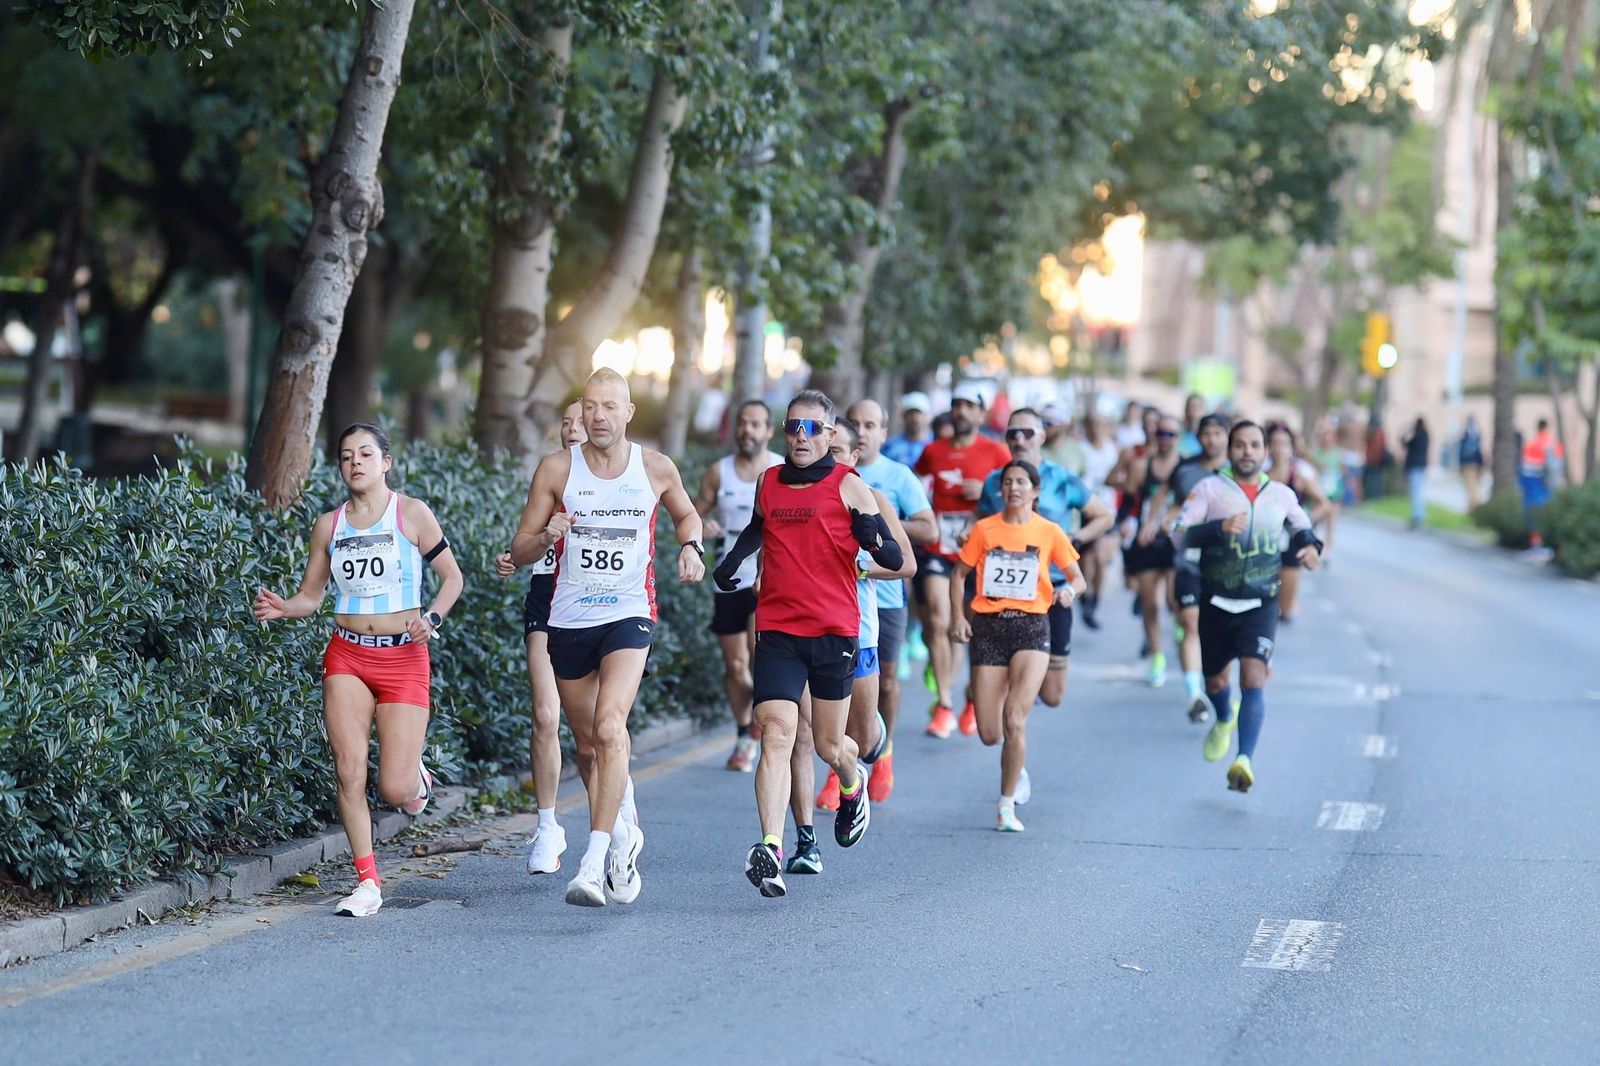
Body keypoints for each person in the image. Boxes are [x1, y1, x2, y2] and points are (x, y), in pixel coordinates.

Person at [506, 368, 705, 908]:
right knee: (588, 747)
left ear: (628, 411)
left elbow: (688, 515)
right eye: (590, 406)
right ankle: (623, 834)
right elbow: (520, 547)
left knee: (610, 725)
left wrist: (692, 548)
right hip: (568, 620)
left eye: (609, 407)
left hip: (629, 614)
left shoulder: (655, 468)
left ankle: (593, 863)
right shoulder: (556, 470)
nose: (598, 416)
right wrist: (545, 535)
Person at [252, 424, 464, 918]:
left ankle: (416, 778)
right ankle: (367, 881)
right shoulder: (329, 526)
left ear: (385, 462)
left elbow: (453, 577)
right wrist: (286, 607)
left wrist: (431, 617)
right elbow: (312, 595)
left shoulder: (412, 514)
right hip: (347, 654)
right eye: (347, 456)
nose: (355, 463)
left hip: (403, 658)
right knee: (348, 770)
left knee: (394, 789)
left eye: (366, 453)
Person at [713, 389, 903, 899]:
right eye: (793, 427)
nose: (801, 436)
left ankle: (851, 778)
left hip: (834, 632)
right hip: (778, 628)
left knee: (827, 744)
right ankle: (771, 850)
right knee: (774, 732)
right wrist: (731, 564)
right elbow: (758, 529)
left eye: (812, 428)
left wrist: (870, 535)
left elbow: (890, 552)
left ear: (831, 432)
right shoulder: (768, 481)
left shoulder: (850, 486)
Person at [1175, 421, 1322, 794]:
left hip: (1261, 601)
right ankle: (1224, 716)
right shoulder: (1209, 489)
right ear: (1230, 450)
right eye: (1239, 445)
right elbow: (1179, 531)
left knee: (1253, 679)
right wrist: (1217, 528)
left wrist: (1310, 547)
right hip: (1216, 601)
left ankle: (1244, 761)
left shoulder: (1282, 495)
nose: (1247, 452)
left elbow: (1302, 528)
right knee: (1216, 681)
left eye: (1254, 445)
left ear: (1265, 452)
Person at [804, 417, 915, 864]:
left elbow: (906, 563)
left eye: (841, 452)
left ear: (854, 458)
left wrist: (862, 568)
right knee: (816, 730)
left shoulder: (872, 499)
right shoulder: (800, 495)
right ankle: (839, 779)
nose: (832, 459)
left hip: (859, 627)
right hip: (808, 627)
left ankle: (875, 749)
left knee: (863, 735)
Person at [951, 460, 1084, 831]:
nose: (1013, 488)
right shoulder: (984, 529)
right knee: (990, 733)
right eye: (1007, 482)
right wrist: (958, 619)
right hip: (989, 628)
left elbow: (1077, 576)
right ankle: (1015, 757)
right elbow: (958, 574)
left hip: (1032, 626)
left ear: (1035, 491)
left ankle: (1006, 805)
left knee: (1015, 719)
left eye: (1021, 482)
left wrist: (1069, 591)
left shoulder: (1050, 531)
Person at [493, 400, 586, 876]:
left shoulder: (622, 480)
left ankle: (617, 817)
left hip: (599, 605)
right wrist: (518, 555)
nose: (572, 428)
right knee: (545, 714)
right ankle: (548, 827)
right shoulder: (550, 475)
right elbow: (522, 543)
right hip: (547, 599)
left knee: (595, 733)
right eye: (566, 422)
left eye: (582, 419)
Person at [977, 407, 1112, 708]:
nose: (1020, 439)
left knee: (1052, 696)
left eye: (1027, 433)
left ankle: (1024, 685)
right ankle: (1004, 695)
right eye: (1013, 433)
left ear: (1041, 436)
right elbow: (979, 523)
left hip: (1052, 590)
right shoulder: (994, 482)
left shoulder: (1062, 479)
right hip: (1003, 595)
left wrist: (1077, 537)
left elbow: (1103, 516)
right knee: (1004, 697)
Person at [843, 398, 935, 802]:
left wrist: (886, 534)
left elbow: (928, 529)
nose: (861, 430)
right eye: (855, 423)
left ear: (883, 432)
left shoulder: (897, 478)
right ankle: (842, 765)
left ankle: (885, 753)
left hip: (886, 594)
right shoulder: (829, 474)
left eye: (870, 424)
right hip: (841, 597)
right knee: (841, 685)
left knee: (888, 682)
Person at [914, 381, 1011, 738]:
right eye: (957, 405)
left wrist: (986, 491)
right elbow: (915, 484)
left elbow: (1015, 493)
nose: (962, 412)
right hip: (941, 550)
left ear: (981, 413)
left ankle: (971, 697)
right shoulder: (933, 451)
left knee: (971, 630)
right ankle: (944, 705)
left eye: (970, 406)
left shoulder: (996, 452)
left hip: (982, 553)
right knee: (940, 622)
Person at [694, 400, 783, 773]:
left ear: (768, 431)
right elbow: (693, 513)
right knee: (735, 665)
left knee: (756, 657)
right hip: (728, 579)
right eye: (743, 424)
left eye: (756, 425)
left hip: (770, 580)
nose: (748, 431)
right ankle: (746, 729)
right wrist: (703, 526)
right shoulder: (719, 472)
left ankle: (754, 732)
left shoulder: (781, 470)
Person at [1156, 412, 1229, 722]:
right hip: (1189, 557)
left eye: (1218, 433)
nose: (1212, 439)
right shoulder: (1185, 470)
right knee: (1190, 621)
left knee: (1219, 631)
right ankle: (1194, 695)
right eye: (1206, 434)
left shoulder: (1238, 473)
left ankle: (1220, 688)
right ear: (1198, 437)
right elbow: (1174, 503)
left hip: (1226, 562)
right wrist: (1166, 520)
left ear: (1227, 437)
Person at [1122, 415, 1183, 685]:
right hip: (1146, 540)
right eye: (1161, 433)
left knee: (1173, 601)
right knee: (1150, 603)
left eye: (1171, 434)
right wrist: (1126, 525)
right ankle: (1157, 657)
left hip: (1174, 541)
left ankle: (1184, 632)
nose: (1165, 439)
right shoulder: (1140, 465)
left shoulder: (1186, 467)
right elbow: (1130, 502)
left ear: (1178, 438)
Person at [1266, 422, 1331, 624]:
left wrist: (1303, 522)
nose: (1279, 448)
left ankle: (1288, 604)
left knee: (1285, 612)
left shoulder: (1299, 476)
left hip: (1291, 543)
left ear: (1292, 447)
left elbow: (1324, 504)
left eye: (1284, 444)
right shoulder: (1261, 477)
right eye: (1274, 443)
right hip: (1265, 542)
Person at [1077, 413, 1120, 629]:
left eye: (1100, 425)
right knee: (1087, 562)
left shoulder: (1113, 449)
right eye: (1092, 425)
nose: (1096, 430)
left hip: (1108, 511)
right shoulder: (1081, 450)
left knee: (1101, 558)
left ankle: (1095, 601)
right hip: (1087, 511)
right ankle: (1085, 596)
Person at [1519, 418, 1564, 544]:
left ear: (1537, 428)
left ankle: (1537, 545)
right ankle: (1550, 544)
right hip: (1550, 486)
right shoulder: (1555, 445)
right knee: (1548, 515)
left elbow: (1526, 470)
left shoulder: (1532, 445)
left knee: (1533, 516)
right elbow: (1560, 466)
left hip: (1535, 485)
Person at [883, 391, 934, 468]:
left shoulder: (936, 443)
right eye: (911, 414)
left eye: (919, 413)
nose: (915, 418)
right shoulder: (891, 446)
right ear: (903, 416)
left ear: (928, 416)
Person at [1402, 417, 1430, 529]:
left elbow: (1404, 442)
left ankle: (1418, 516)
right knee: (1418, 491)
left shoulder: (1416, 436)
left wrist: (1406, 430)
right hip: (1421, 466)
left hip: (1414, 466)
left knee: (1416, 492)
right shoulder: (1426, 435)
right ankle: (1419, 515)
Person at [1458, 415, 1485, 510]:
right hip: (1474, 464)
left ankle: (1474, 507)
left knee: (1471, 487)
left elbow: (1462, 452)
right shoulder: (1476, 435)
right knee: (1472, 487)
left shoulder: (1467, 436)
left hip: (1469, 464)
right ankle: (1472, 507)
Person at [1179, 393, 1206, 458]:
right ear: (1186, 410)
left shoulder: (1208, 435)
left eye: (1198, 407)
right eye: (1192, 406)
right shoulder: (1178, 433)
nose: (1195, 410)